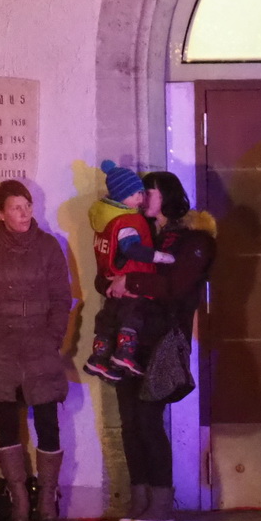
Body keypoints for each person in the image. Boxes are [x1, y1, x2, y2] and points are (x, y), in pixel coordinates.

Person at [106, 169, 217, 521]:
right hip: (128, 335)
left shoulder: (195, 240)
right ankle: (139, 497)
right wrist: (114, 280)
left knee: (148, 419)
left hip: (162, 339)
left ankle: (161, 501)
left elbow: (176, 285)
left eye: (147, 190)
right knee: (129, 421)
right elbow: (109, 266)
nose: (141, 196)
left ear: (165, 194)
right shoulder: (138, 234)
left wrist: (132, 281)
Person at [0, 180, 73, 521]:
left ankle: (47, 498)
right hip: (0, 348)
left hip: (40, 345)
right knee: (5, 422)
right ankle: (18, 500)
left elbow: (61, 298)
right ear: (0, 213)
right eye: (16, 207)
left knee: (47, 419)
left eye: (26, 204)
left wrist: (52, 337)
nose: (25, 212)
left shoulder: (48, 247)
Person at [83, 161, 175, 382]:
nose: (141, 199)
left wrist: (109, 284)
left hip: (111, 279)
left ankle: (99, 357)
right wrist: (160, 257)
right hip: (130, 283)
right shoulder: (127, 221)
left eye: (143, 193)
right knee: (131, 317)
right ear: (121, 196)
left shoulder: (107, 220)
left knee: (108, 320)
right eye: (136, 194)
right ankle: (124, 354)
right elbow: (133, 249)